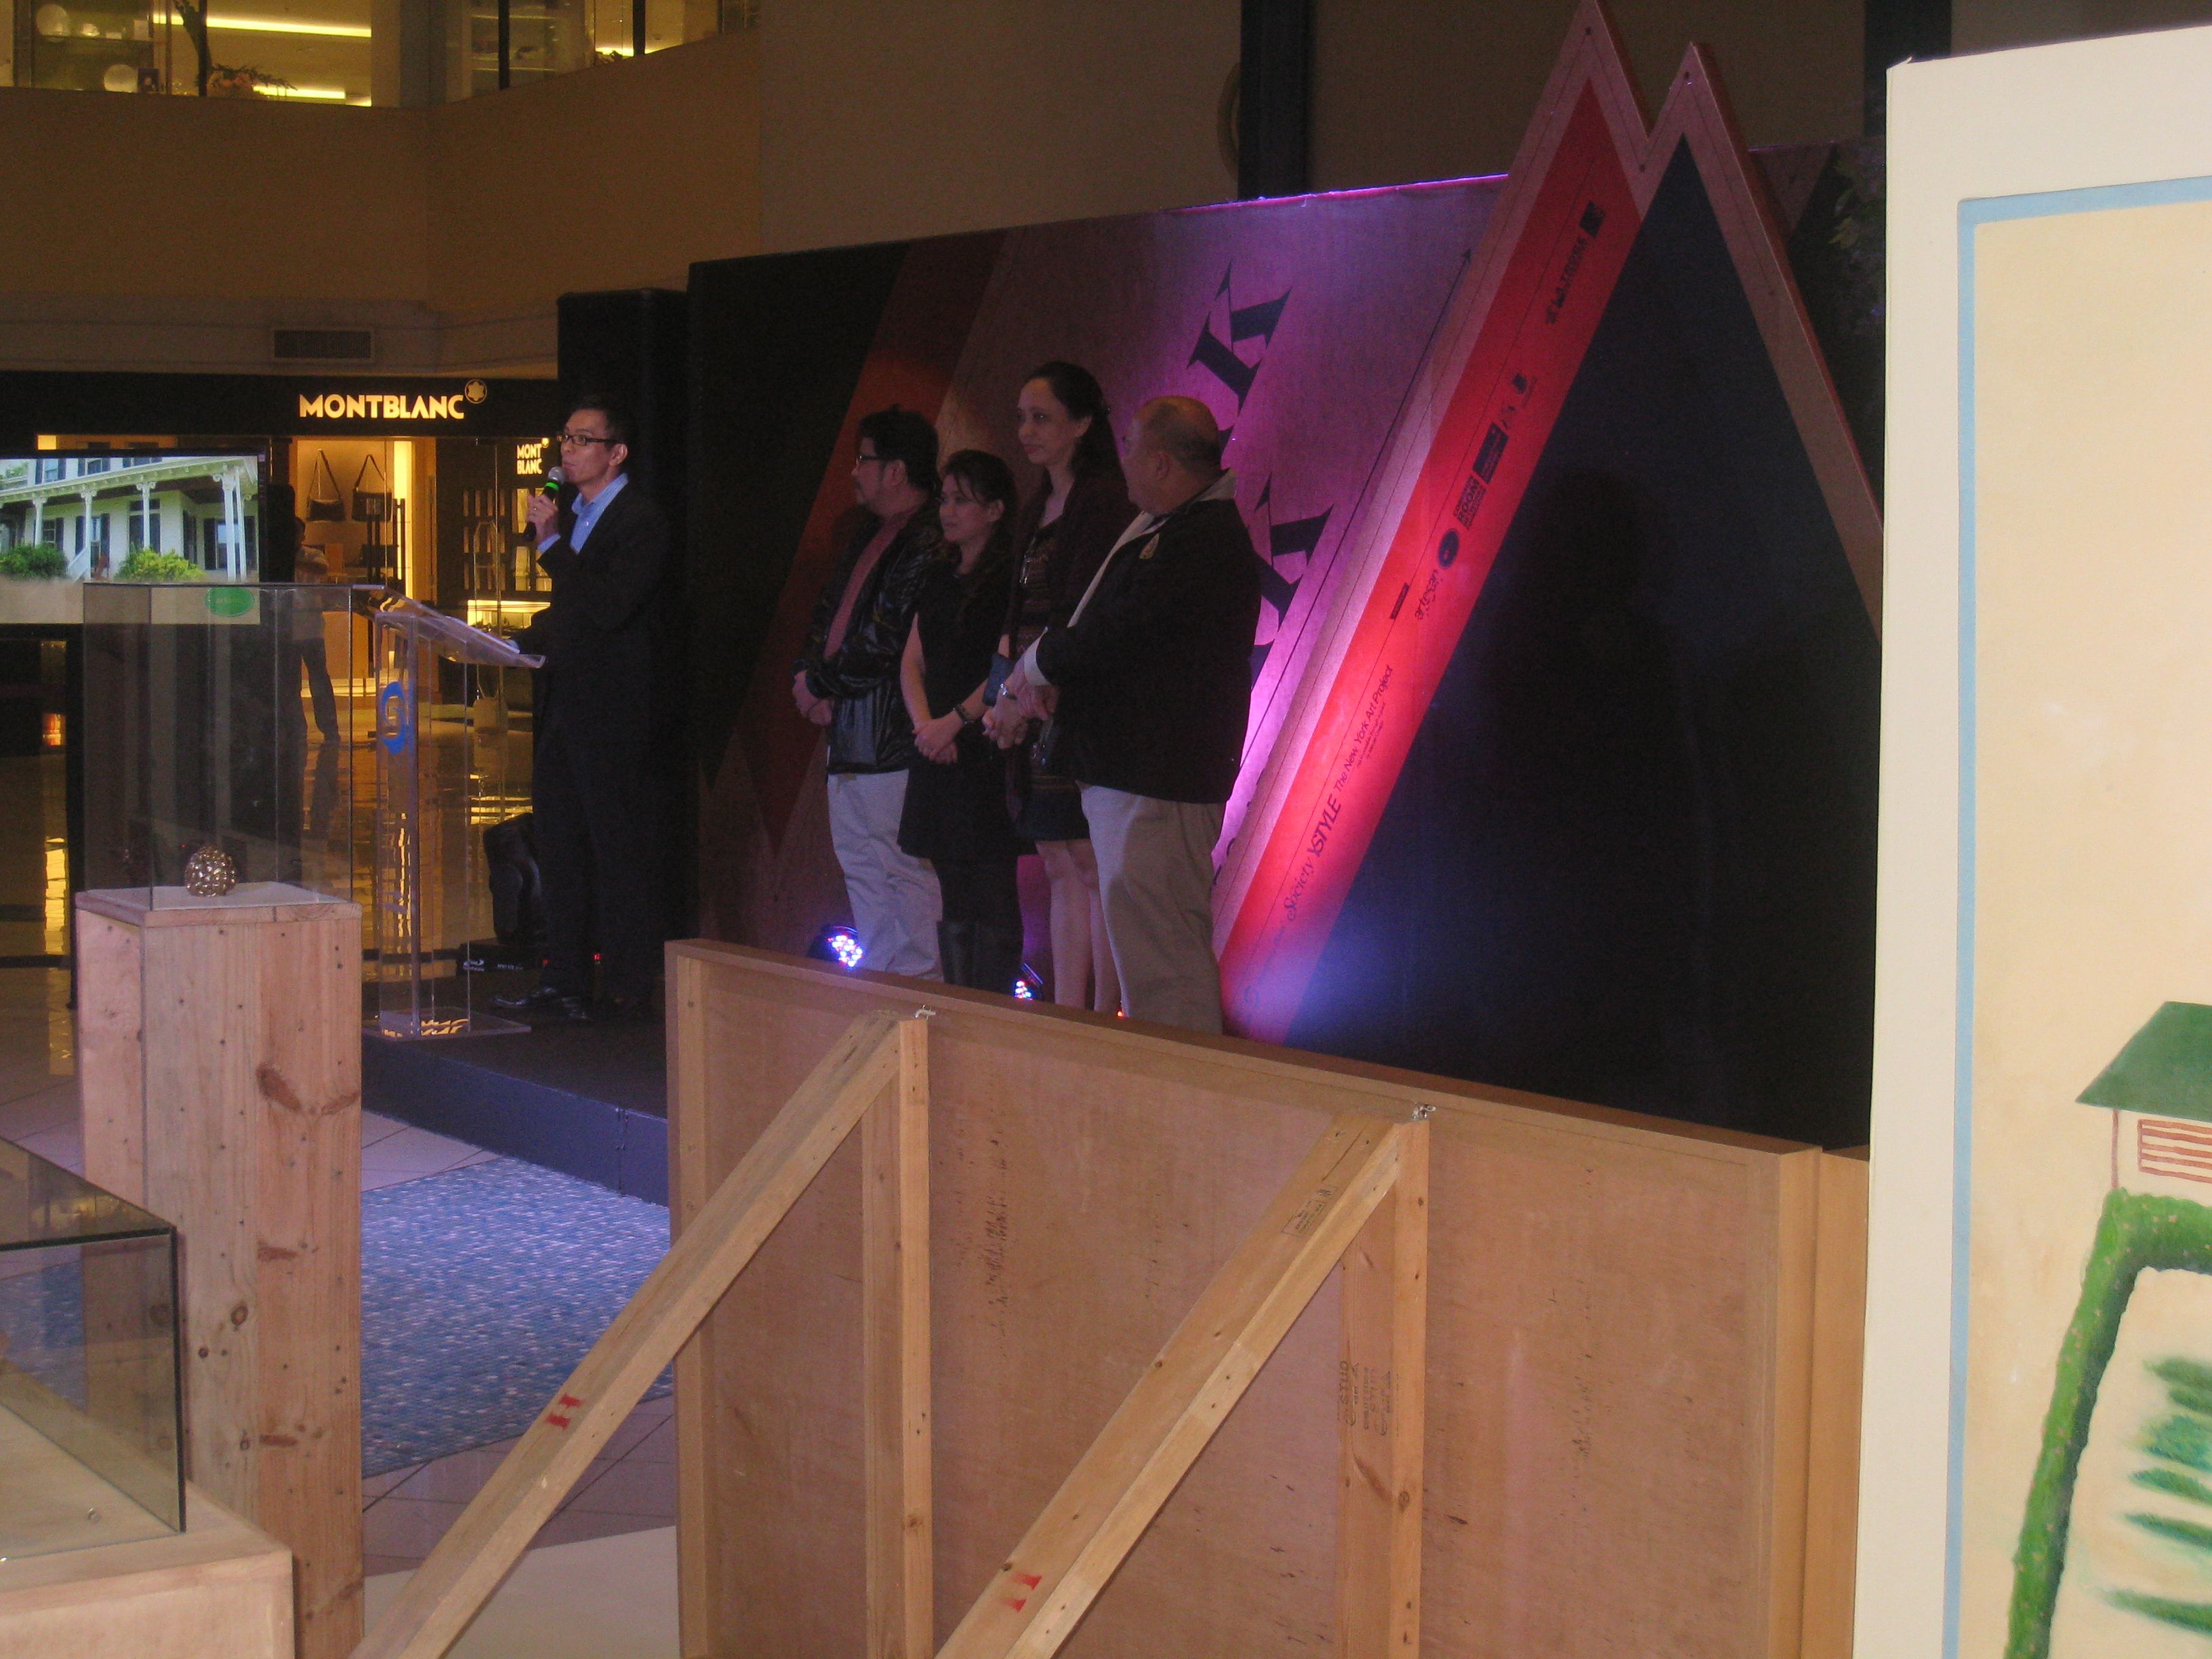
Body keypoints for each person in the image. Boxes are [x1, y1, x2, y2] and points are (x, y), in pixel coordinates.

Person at [1001, 396, 1261, 1033]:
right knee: (1151, 953)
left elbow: (1121, 633)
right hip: (1139, 776)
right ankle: (1172, 1078)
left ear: (1162, 463)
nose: (1124, 462)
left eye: (1131, 447)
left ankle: (1183, 1085)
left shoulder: (1200, 540)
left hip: (1158, 783)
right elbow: (1125, 641)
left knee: (1162, 960)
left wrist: (1042, 663)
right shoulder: (1173, 529)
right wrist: (1059, 680)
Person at [491, 394, 670, 1023]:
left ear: (616, 453)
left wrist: (550, 545)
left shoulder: (639, 519)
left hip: (614, 711)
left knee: (615, 848)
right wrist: (511, 642)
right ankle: (563, 979)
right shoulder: (574, 514)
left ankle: (625, 983)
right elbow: (571, 613)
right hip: (564, 703)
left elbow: (610, 606)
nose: (567, 450)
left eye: (582, 440)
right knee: (560, 844)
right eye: (565, 437)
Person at [979, 361, 1134, 1013]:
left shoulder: (1103, 503)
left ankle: (1105, 1015)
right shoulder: (1036, 506)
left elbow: (1081, 617)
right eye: (1022, 418)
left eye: (1041, 418)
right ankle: (1069, 1010)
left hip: (1075, 702)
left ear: (1082, 424)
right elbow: (1014, 617)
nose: (1026, 431)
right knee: (1056, 858)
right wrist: (1002, 698)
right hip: (1031, 698)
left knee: (1089, 860)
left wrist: (1025, 694)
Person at [793, 407, 945, 979]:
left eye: (864, 459)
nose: (854, 472)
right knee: (861, 868)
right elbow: (828, 615)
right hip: (850, 732)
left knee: (902, 870)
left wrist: (820, 682)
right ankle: (884, 991)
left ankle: (921, 1000)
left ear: (896, 470)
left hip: (894, 735)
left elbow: (886, 637)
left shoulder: (928, 537)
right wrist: (806, 674)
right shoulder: (869, 532)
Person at [897, 450, 1029, 991]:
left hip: (986, 742)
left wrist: (953, 723)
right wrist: (926, 726)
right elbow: (911, 660)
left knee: (992, 881)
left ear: (995, 510)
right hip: (936, 741)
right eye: (945, 499)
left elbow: (1008, 662)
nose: (947, 511)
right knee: (952, 883)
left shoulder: (1010, 579)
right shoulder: (938, 575)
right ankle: (959, 1001)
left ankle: (993, 1008)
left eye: (961, 501)